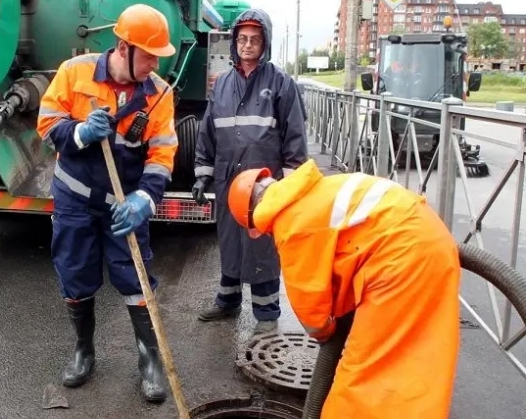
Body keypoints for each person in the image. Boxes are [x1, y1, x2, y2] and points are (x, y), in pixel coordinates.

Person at [226, 158, 462, 419]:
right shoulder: (312, 191)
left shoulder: (291, 225)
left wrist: (329, 332)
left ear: (254, 225)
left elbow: (312, 314)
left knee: (361, 377)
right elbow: (347, 249)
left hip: (402, 259)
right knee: (414, 357)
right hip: (427, 239)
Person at [36, 3, 178, 403]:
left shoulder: (159, 94)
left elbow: (162, 153)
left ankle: (149, 359)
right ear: (123, 48)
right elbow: (46, 124)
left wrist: (144, 199)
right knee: (75, 273)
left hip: (123, 203)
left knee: (135, 277)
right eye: (149, 55)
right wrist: (80, 132)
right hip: (75, 200)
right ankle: (84, 351)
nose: (155, 64)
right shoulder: (74, 72)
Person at [193, 8, 308, 334]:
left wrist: (292, 184)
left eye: (254, 40)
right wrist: (202, 173)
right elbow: (208, 132)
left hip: (264, 183)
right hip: (229, 179)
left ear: (264, 43)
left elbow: (295, 135)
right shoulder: (222, 84)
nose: (247, 45)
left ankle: (267, 313)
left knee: (262, 246)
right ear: (234, 42)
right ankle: (227, 301)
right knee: (230, 240)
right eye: (242, 39)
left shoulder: (281, 83)